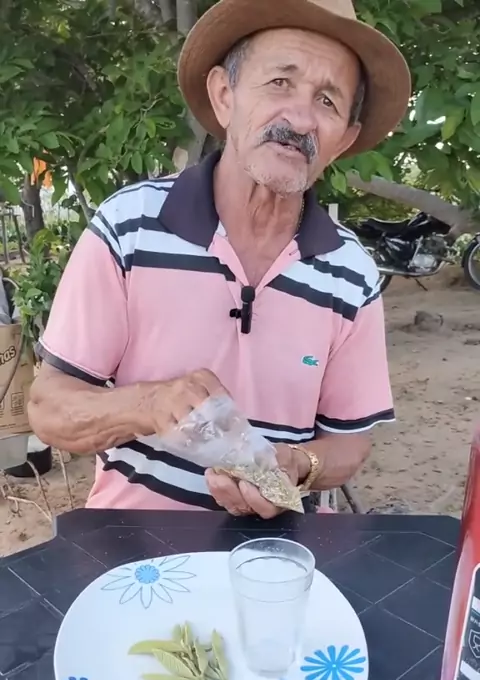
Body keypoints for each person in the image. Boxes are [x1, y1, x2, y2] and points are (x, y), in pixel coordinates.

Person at [28, 0, 411, 519]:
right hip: (134, 542)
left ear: (342, 140)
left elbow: (349, 442)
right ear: (224, 96)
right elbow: (48, 408)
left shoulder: (351, 273)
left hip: (280, 547)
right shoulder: (129, 228)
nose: (300, 118)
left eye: (327, 100)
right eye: (279, 82)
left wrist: (299, 464)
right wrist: (148, 405)